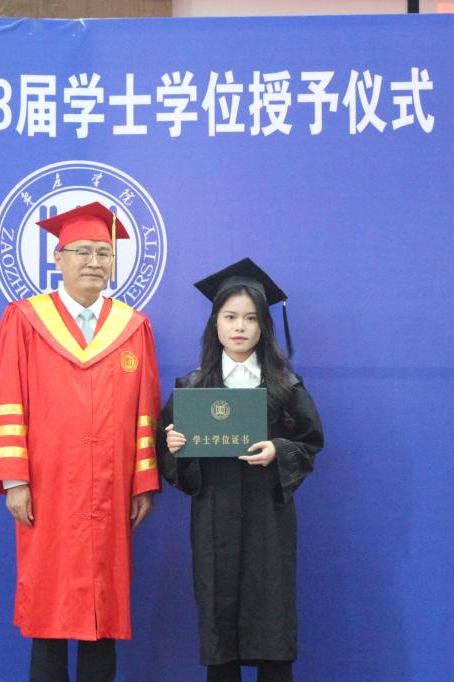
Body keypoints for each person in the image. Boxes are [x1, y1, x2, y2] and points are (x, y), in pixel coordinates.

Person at [0, 202, 161, 682]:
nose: (94, 261)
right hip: (48, 487)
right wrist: (15, 480)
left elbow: (146, 413)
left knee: (103, 607)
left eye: (104, 253)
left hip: (109, 489)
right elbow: (6, 399)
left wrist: (143, 482)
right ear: (58, 259)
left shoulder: (133, 327)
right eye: (82, 251)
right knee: (49, 605)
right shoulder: (25, 320)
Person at [156, 258, 324, 682]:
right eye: (230, 316)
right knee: (220, 626)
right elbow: (170, 456)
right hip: (214, 520)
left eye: (251, 318)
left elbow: (310, 443)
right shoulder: (193, 387)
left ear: (264, 325)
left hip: (269, 520)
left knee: (272, 623)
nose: (240, 327)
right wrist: (175, 447)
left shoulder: (286, 386)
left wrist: (278, 450)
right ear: (215, 322)